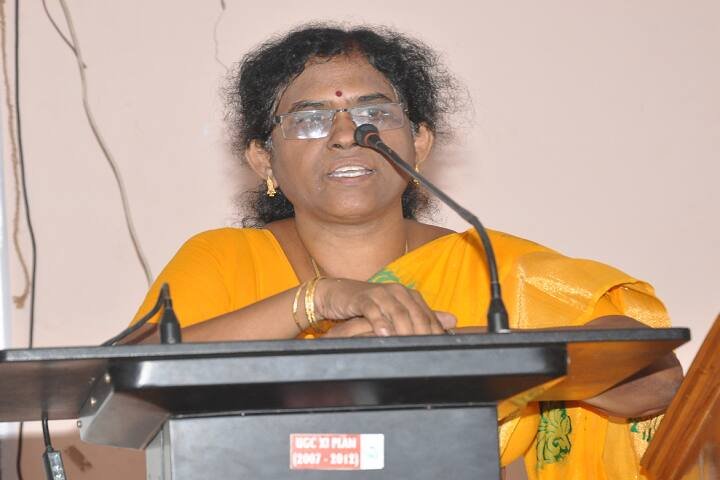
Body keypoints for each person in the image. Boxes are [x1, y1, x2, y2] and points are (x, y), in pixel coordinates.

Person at [131, 24, 682, 479]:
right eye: (309, 119)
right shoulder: (224, 258)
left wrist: (450, 358)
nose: (346, 134)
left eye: (373, 115)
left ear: (419, 142)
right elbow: (132, 377)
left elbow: (656, 380)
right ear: (263, 159)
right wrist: (315, 303)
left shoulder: (489, 267)